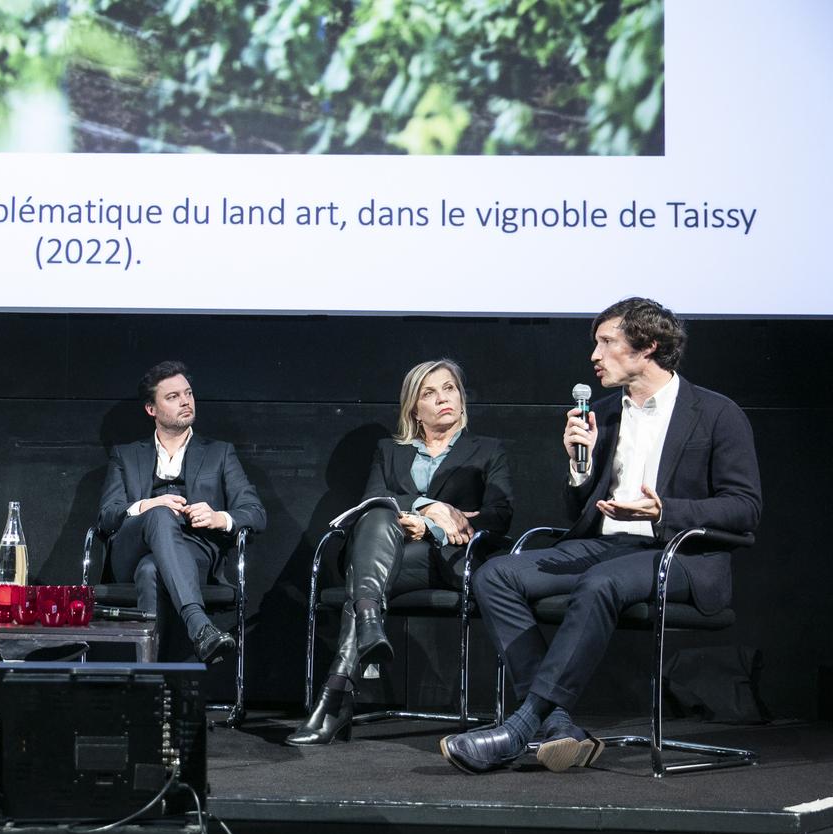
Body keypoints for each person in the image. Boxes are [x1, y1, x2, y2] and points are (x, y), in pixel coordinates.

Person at [443, 297, 762, 774]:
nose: (595, 354)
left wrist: (664, 510)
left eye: (607, 342)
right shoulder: (605, 413)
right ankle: (558, 725)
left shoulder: (715, 413)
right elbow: (580, 512)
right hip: (605, 544)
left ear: (648, 346)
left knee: (601, 583)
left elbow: (745, 506)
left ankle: (522, 726)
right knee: (495, 574)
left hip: (678, 553)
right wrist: (579, 465)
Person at [287, 360, 513, 746]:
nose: (443, 398)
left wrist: (435, 526)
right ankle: (359, 643)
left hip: (447, 560)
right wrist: (427, 504)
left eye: (450, 388)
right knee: (376, 511)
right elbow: (372, 502)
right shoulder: (389, 451)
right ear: (414, 409)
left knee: (364, 577)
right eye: (429, 393)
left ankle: (336, 694)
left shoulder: (488, 451)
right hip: (391, 557)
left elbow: (499, 515)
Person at [96, 361, 267, 664]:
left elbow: (255, 513)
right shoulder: (125, 455)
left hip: (194, 553)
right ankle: (199, 626)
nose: (185, 401)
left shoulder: (219, 452)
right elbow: (107, 517)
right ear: (152, 409)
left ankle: (150, 685)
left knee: (151, 570)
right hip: (131, 549)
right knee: (159, 515)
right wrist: (146, 506)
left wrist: (219, 517)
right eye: (173, 397)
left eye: (188, 393)